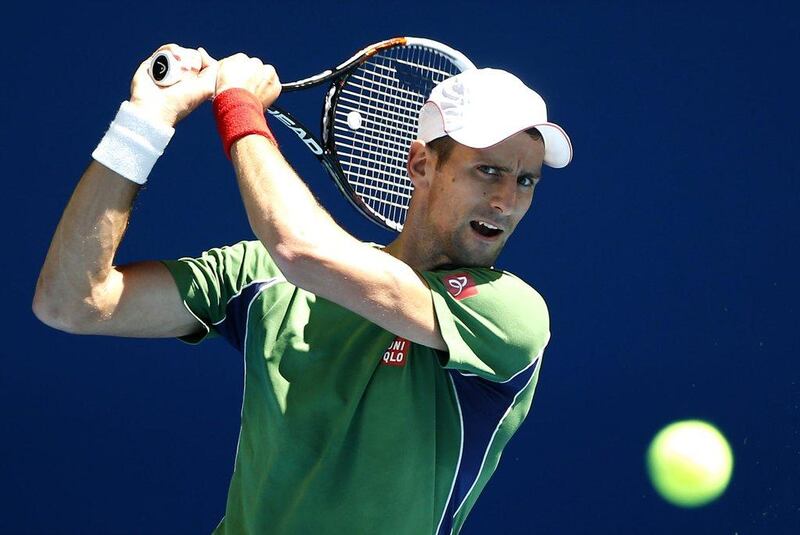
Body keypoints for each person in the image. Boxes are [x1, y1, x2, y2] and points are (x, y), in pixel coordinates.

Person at [33, 43, 573, 534]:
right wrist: (145, 123)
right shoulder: (262, 276)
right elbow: (72, 303)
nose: (507, 200)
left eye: (525, 181)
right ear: (421, 164)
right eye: (487, 171)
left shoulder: (511, 313)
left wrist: (240, 109)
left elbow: (302, 250)